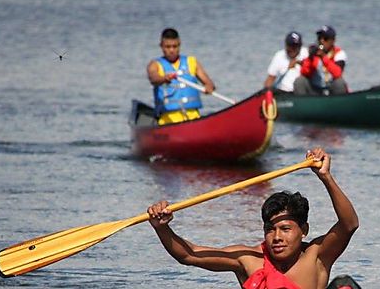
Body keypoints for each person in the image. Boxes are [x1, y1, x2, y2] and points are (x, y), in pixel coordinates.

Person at [147, 148, 359, 289]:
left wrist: (326, 177)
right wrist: (162, 228)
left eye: (285, 229)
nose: (276, 237)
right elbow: (189, 255)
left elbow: (349, 224)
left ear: (304, 229)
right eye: (270, 229)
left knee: (345, 284)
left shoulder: (317, 256)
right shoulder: (248, 260)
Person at [147, 28, 216, 125]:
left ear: (179, 45)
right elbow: (153, 78)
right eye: (168, 47)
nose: (171, 50)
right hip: (167, 120)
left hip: (193, 117)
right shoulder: (154, 65)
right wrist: (164, 79)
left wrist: (209, 87)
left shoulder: (192, 62)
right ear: (161, 46)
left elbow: (208, 82)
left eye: (175, 46)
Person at [294, 25, 349, 95]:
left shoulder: (339, 53)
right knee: (300, 81)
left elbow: (337, 74)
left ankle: (339, 103)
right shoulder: (313, 52)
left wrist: (323, 57)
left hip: (332, 88)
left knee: (340, 83)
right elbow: (304, 73)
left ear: (333, 40)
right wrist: (310, 58)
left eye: (325, 39)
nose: (322, 41)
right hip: (315, 89)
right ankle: (302, 103)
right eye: (319, 38)